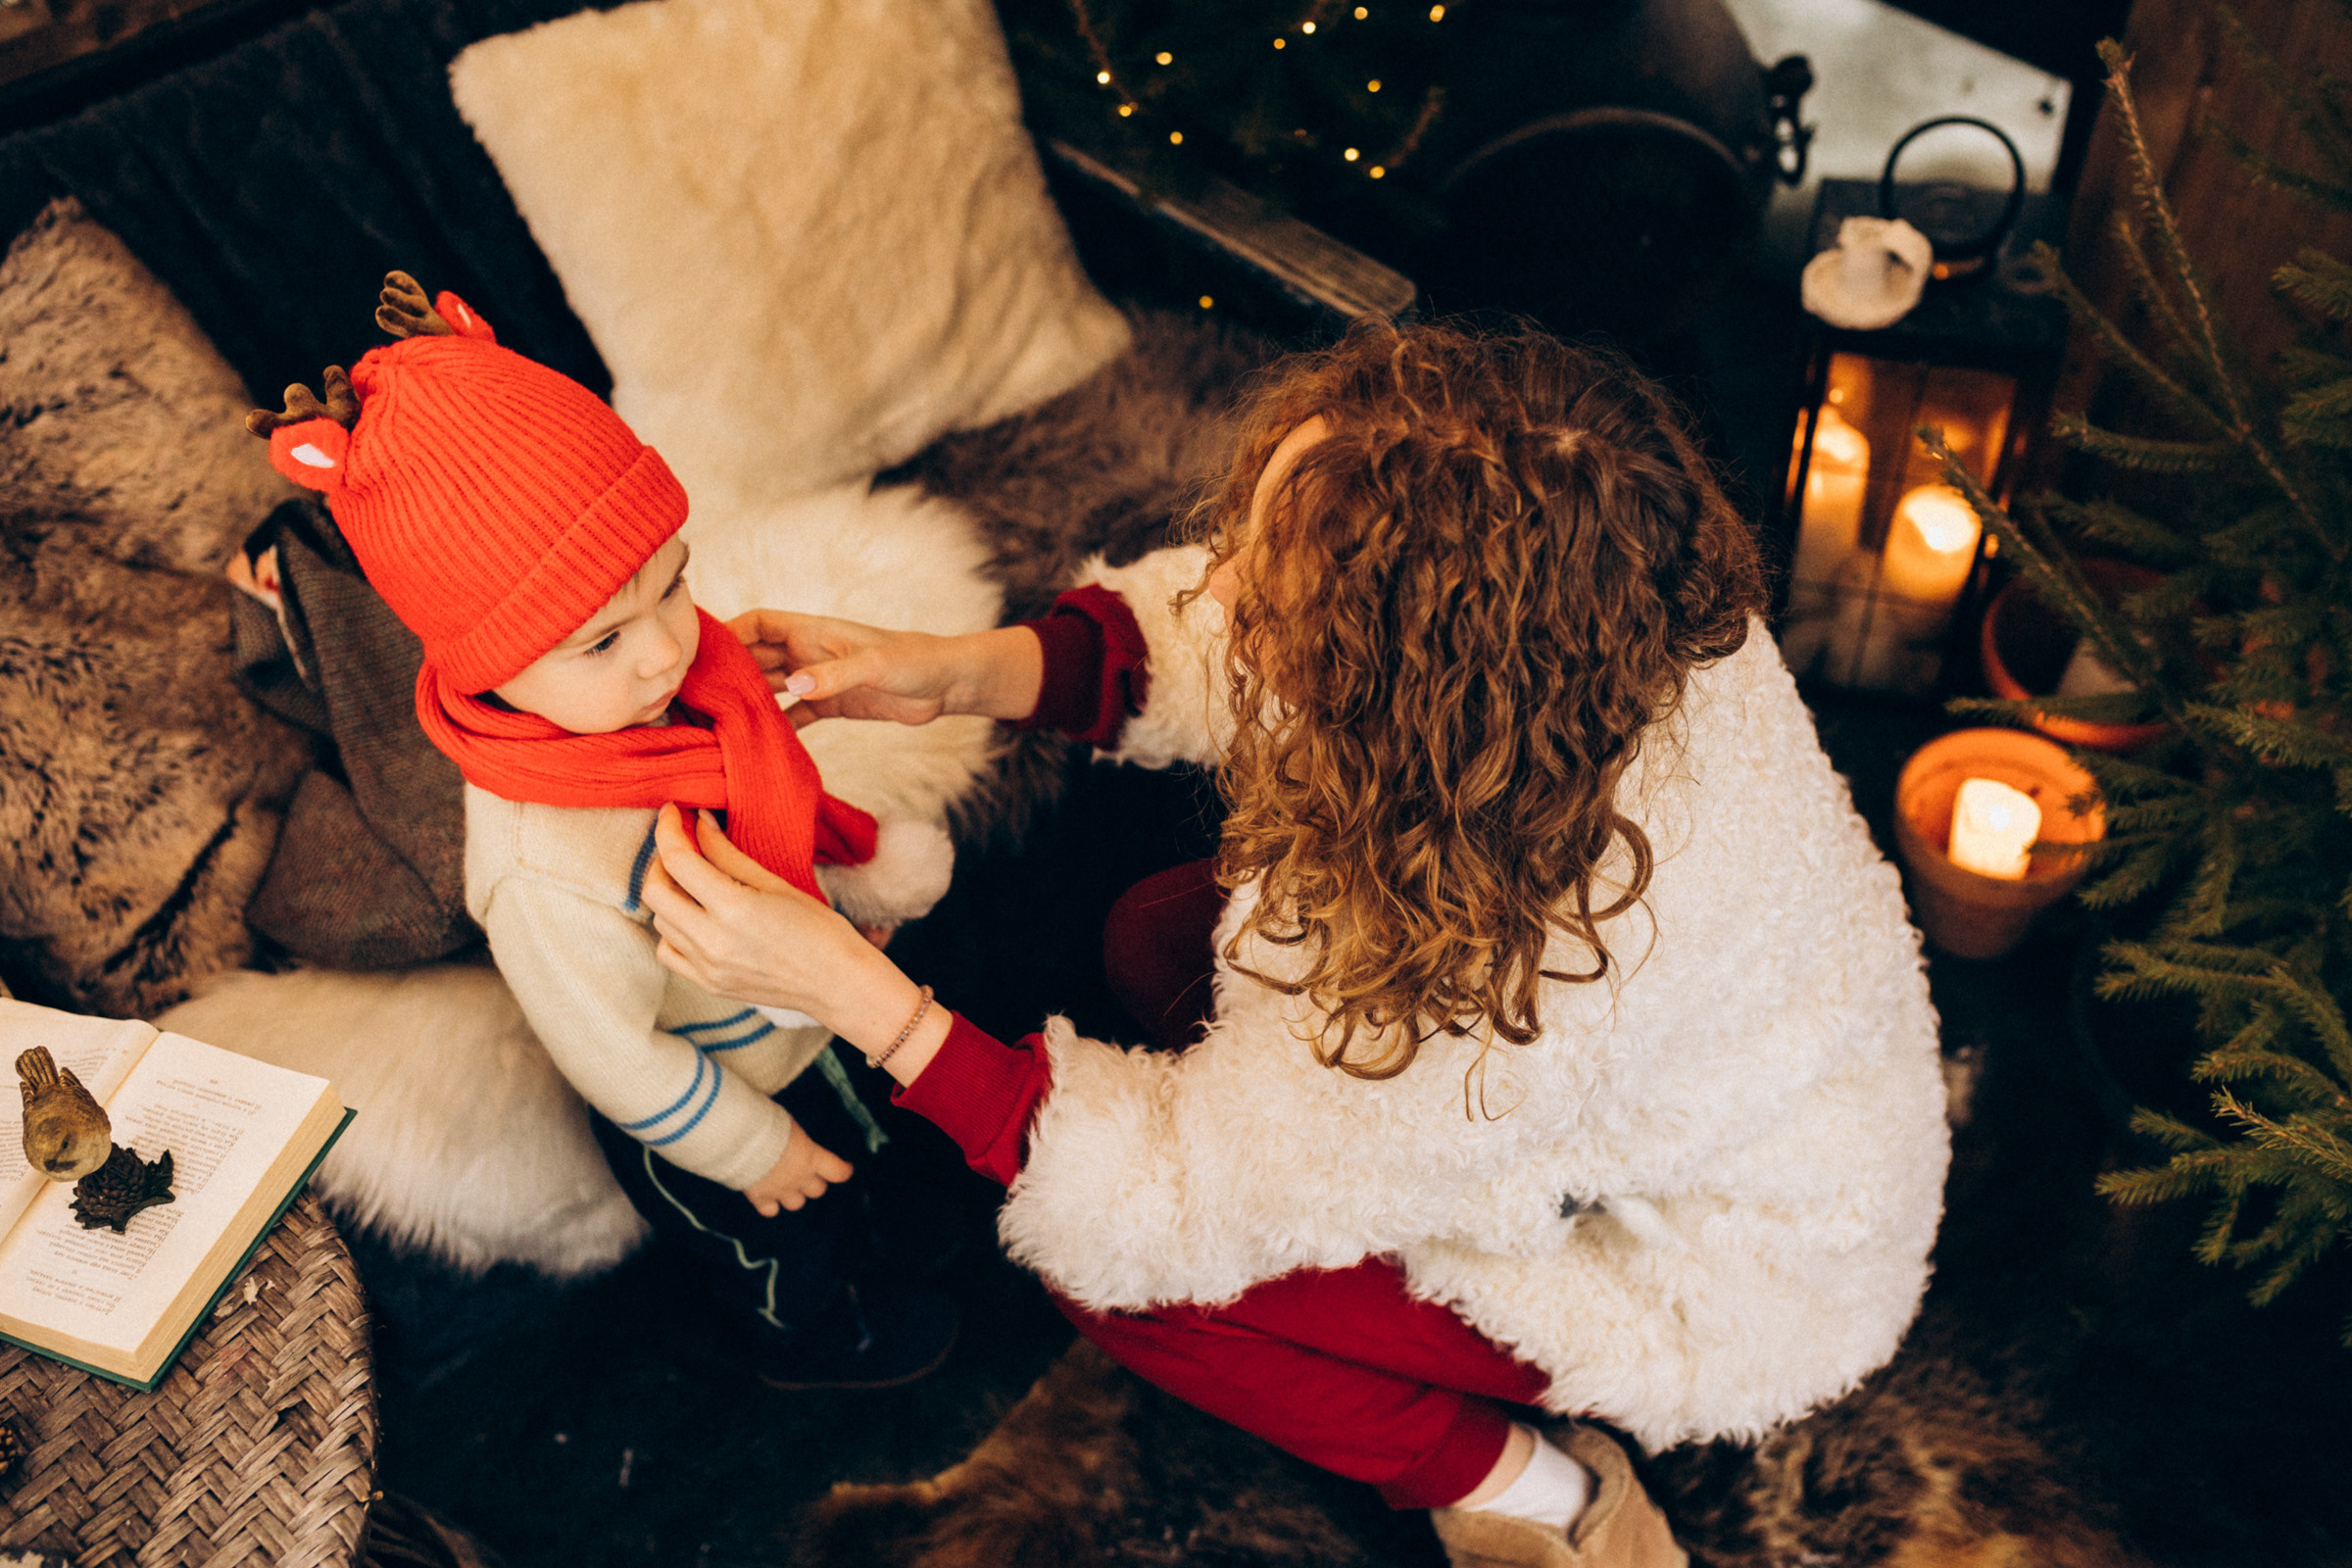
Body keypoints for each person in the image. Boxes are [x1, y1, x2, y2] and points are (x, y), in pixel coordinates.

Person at [640, 321, 1948, 1568]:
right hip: (1742, 1104)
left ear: (1404, 682)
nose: (1215, 587)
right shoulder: (1605, 599)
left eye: (1266, 587)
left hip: (1712, 1284)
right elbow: (1249, 642)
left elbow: (1159, 1211)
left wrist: (852, 992)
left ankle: (1545, 1500)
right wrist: (951, 671)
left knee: (1127, 1291)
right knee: (1159, 938)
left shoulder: (1505, 983)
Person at [247, 272, 959, 1388]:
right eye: (601, 640)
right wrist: (748, 1150)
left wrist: (846, 896)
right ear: (493, 667)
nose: (667, 651)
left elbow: (763, 802)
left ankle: (885, 1237)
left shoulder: (671, 688)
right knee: (783, 1236)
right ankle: (817, 1343)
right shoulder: (542, 865)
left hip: (799, 1014)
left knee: (867, 1158)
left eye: (673, 587)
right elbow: (614, 1052)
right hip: (704, 1101)